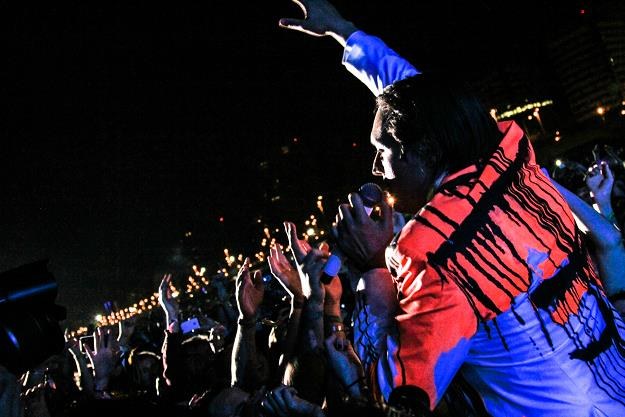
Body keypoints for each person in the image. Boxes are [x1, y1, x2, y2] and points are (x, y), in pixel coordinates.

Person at [278, 1, 625, 415]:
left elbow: (395, 398)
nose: (375, 168)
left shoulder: (430, 249)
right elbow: (425, 98)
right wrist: (344, 31)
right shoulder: (508, 152)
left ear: (421, 150)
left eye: (382, 150)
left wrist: (372, 266)